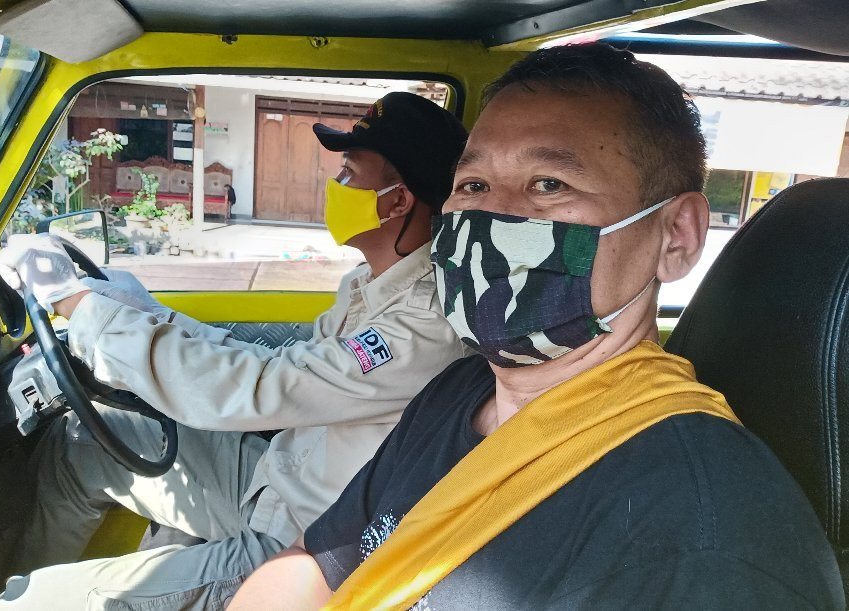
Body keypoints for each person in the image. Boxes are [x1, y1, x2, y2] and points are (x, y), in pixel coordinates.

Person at [229, 44, 845, 610]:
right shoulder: (461, 389)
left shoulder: (705, 542)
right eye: (472, 184)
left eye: (549, 185)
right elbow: (322, 560)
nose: (491, 214)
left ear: (675, 237)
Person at [0, 92, 472, 609]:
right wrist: (145, 311)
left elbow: (263, 389)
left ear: (398, 202)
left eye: (351, 173)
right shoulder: (367, 285)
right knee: (80, 444)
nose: (335, 186)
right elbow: (282, 366)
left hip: (306, 542)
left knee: (37, 602)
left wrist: (79, 307)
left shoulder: (423, 324)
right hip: (275, 480)